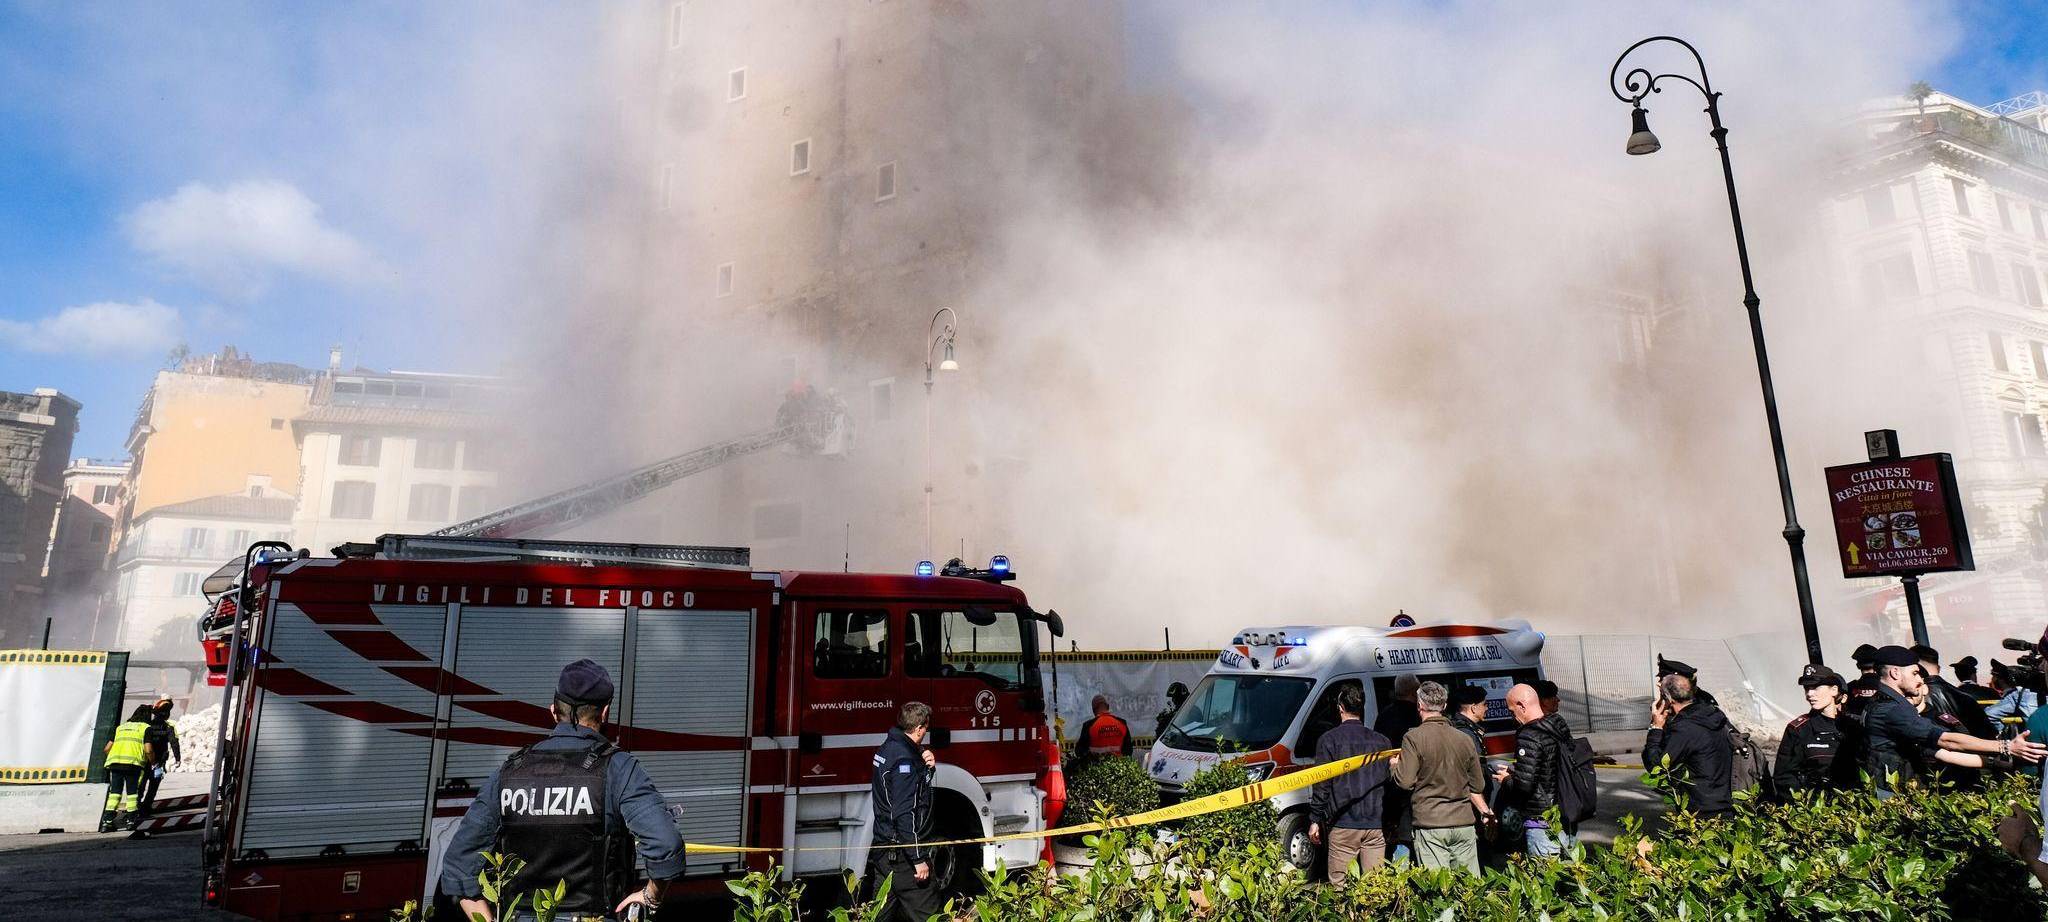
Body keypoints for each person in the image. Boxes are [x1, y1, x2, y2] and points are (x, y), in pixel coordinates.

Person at [440, 660, 682, 921]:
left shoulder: (510, 771)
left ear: (554, 711)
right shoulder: (619, 769)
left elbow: (457, 866)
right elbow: (665, 845)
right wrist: (650, 897)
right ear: (605, 713)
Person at [1859, 646, 2047, 796]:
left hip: (1897, 791)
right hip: (1894, 794)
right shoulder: (1891, 709)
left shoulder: (1885, 705)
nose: (1919, 679)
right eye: (1915, 673)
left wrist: (2003, 764)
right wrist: (2006, 747)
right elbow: (1946, 740)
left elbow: (1941, 752)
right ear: (1895, 673)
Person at [1390, 682, 1490, 873]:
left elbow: (1405, 781)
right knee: (1469, 889)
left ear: (1419, 705)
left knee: (1438, 891)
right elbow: (1478, 784)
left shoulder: (1413, 738)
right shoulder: (1465, 739)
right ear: (1444, 706)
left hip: (1431, 824)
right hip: (1464, 823)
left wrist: (1395, 767)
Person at [1307, 683, 1394, 885]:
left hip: (1343, 824)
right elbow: (1389, 783)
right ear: (1361, 708)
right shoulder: (1382, 742)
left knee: (1340, 887)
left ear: (1340, 708)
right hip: (1374, 824)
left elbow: (1322, 784)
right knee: (1376, 888)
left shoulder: (1328, 741)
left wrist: (1315, 819)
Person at [869, 701, 942, 921]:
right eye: (925, 729)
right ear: (920, 728)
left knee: (879, 916)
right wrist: (918, 857)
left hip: (884, 851)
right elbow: (905, 813)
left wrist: (927, 769)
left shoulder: (889, 747)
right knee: (931, 916)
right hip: (903, 856)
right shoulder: (905, 761)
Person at [1492, 684, 1578, 859]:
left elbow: (1524, 786)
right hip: (1567, 814)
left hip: (1541, 823)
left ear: (1522, 705)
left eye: (1512, 710)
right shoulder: (1557, 725)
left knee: (1546, 881)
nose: (1512, 716)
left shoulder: (1529, 735)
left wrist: (1507, 779)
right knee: (1572, 878)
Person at [1643, 672, 1735, 818]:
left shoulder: (1684, 729)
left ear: (1668, 699)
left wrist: (1655, 729)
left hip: (1700, 813)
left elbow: (1657, 767)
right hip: (1726, 805)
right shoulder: (1713, 716)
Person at [1773, 664, 1847, 795]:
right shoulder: (1798, 729)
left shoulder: (1852, 726)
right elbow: (1784, 777)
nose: (1809, 694)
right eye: (1807, 688)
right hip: (1814, 808)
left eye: (1816, 687)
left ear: (1834, 690)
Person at [1914, 644, 1995, 739]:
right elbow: (1987, 734)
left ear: (1916, 669)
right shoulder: (1965, 697)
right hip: (1970, 750)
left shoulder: (1914, 699)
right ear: (1939, 668)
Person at [99, 705, 155, 832]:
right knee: (132, 794)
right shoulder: (146, 728)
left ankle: (106, 822)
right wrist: (153, 762)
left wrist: (117, 757)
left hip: (115, 764)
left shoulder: (120, 728)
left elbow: (107, 748)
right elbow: (148, 749)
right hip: (133, 764)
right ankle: (131, 821)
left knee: (115, 794)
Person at [137, 697, 181, 824]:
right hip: (159, 763)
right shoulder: (168, 727)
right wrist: (178, 758)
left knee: (141, 784)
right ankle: (146, 808)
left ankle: (136, 806)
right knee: (153, 786)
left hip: (145, 761)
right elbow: (174, 742)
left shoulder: (147, 726)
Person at [1447, 685, 1490, 757]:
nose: (1487, 708)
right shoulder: (1466, 733)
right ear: (1473, 708)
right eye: (1484, 704)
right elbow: (1475, 764)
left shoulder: (1455, 726)